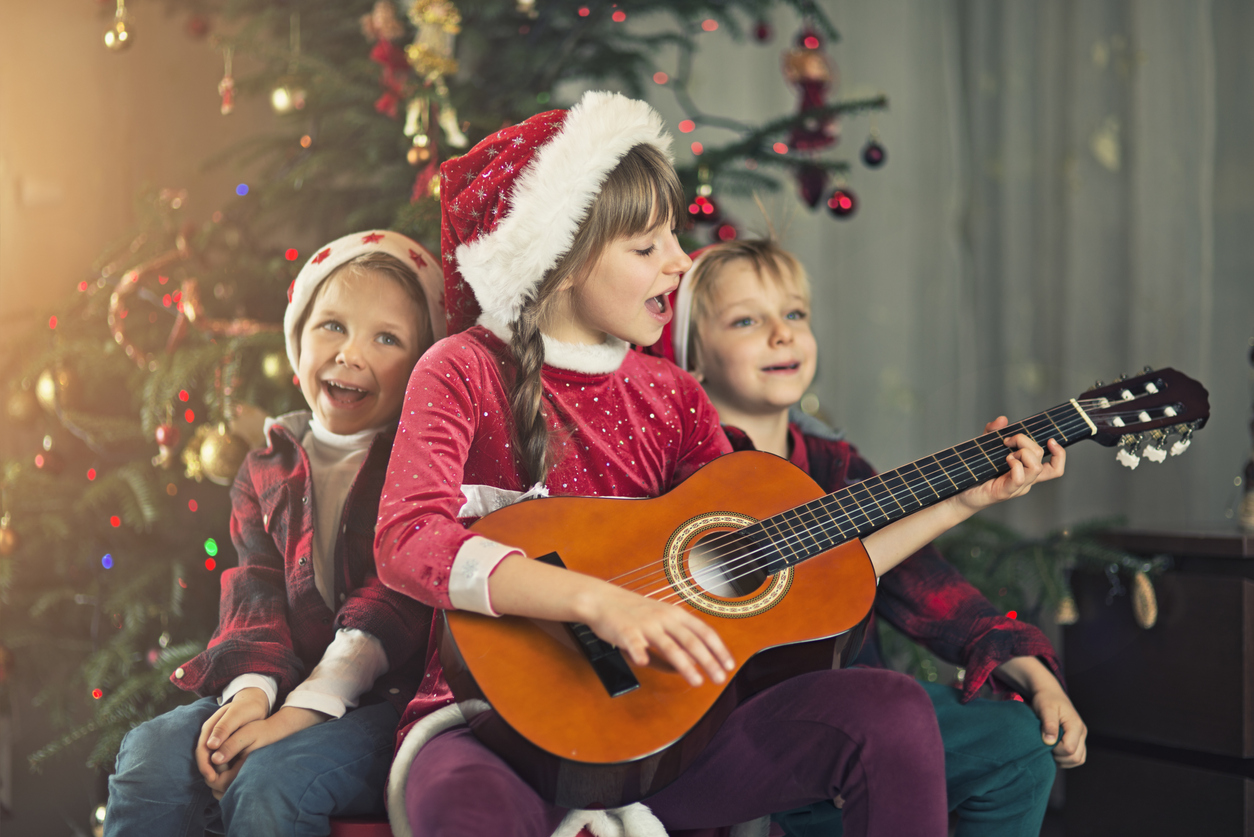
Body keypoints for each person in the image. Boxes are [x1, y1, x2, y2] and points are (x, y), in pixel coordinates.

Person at [374, 91, 1063, 837]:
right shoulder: (463, 370)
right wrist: (599, 601)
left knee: (889, 709)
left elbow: (796, 564)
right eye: (647, 247)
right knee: (463, 811)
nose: (679, 260)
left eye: (674, 236)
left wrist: (962, 500)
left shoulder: (671, 396)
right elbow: (408, 538)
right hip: (492, 728)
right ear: (561, 259)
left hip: (668, 745)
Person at [664, 237, 1087, 837]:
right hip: (737, 729)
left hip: (857, 709)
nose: (781, 334)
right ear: (694, 354)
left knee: (1018, 745)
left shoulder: (837, 467)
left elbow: (931, 591)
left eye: (794, 314)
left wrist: (1037, 679)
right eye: (745, 320)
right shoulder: (679, 461)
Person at [105, 230, 445, 837]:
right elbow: (254, 590)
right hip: (280, 677)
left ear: (422, 365)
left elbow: (393, 601)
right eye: (333, 326)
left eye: (386, 338)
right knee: (148, 755)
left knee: (272, 783)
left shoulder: (420, 463)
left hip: (383, 702)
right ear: (297, 338)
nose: (350, 354)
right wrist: (250, 695)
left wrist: (295, 718)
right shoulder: (267, 464)